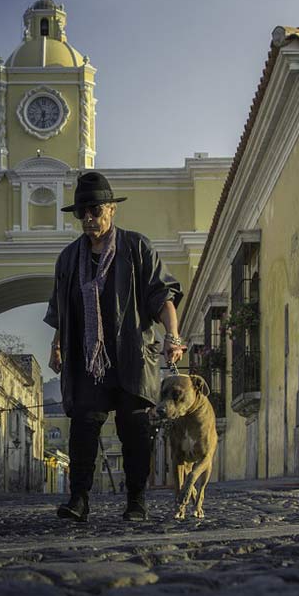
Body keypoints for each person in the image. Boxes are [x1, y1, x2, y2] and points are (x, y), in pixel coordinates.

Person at [44, 171, 185, 522]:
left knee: (135, 429)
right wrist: (57, 345)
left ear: (111, 210)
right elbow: (63, 308)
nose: (89, 218)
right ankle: (79, 499)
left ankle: (136, 500)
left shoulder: (136, 248)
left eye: (95, 210)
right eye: (82, 212)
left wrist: (173, 335)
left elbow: (161, 296)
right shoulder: (67, 260)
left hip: (132, 356)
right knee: (83, 427)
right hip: (86, 359)